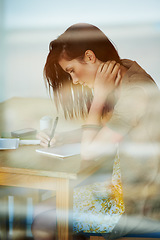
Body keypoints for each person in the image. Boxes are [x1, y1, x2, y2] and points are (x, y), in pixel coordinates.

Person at [33, 23, 160, 239]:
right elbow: (111, 128)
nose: (74, 80)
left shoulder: (135, 92)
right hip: (120, 189)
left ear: (90, 57)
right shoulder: (126, 71)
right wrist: (62, 137)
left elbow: (90, 153)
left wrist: (99, 97)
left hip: (135, 205)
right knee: (51, 207)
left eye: (71, 71)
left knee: (43, 215)